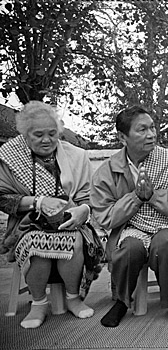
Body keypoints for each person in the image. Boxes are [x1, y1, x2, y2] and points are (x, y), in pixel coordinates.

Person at [90, 106, 168, 327]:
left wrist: (154, 196)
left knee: (164, 244)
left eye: (152, 128)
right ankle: (121, 301)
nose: (151, 134)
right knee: (130, 248)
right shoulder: (108, 171)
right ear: (122, 137)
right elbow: (105, 217)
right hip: (131, 227)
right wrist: (136, 198)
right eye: (142, 130)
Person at [0, 101, 98, 328]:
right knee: (37, 244)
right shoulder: (10, 156)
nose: (46, 140)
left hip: (70, 221)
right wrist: (38, 202)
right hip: (28, 223)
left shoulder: (77, 156)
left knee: (73, 241)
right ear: (25, 135)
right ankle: (39, 302)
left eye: (52, 134)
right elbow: (2, 198)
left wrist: (83, 210)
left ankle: (73, 298)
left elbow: (88, 197)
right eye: (38, 134)